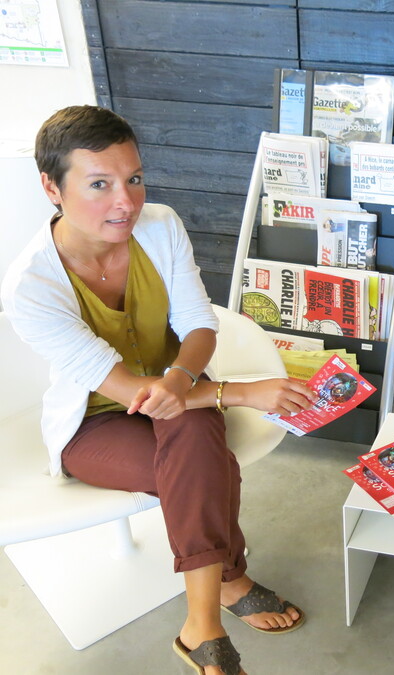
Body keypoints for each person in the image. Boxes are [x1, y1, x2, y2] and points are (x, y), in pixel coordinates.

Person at [1, 106, 317, 675]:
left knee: (194, 441)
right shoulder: (31, 286)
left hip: (182, 388)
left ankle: (202, 627)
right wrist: (241, 392)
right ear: (51, 188)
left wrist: (182, 378)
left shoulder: (160, 224)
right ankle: (229, 580)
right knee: (205, 465)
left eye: (135, 178)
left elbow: (198, 324)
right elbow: (129, 392)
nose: (126, 202)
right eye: (99, 184)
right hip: (94, 422)